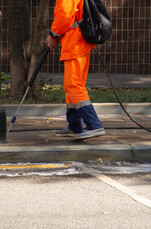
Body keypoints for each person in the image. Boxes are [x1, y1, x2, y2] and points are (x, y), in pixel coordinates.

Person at [46, 0, 105, 140]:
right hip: (78, 43)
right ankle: (74, 125)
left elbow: (65, 15)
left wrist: (52, 35)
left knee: (74, 84)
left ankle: (94, 125)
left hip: (75, 43)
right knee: (70, 85)